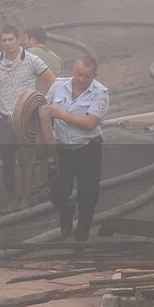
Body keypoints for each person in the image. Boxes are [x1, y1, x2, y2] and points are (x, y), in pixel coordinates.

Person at [0, 26, 55, 210]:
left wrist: (40, 103)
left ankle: (25, 200)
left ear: (19, 40)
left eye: (11, 39)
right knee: (7, 161)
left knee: (27, 158)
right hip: (4, 116)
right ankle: (12, 200)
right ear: (1, 42)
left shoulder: (31, 60)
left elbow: (52, 80)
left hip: (25, 117)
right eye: (4, 40)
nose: (8, 44)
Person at [47, 56, 109, 242]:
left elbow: (90, 123)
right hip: (62, 150)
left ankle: (82, 234)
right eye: (79, 74)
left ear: (94, 76)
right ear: (73, 70)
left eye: (86, 77)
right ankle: (66, 211)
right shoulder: (58, 86)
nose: (82, 80)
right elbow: (41, 107)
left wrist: (61, 115)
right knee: (57, 193)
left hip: (87, 150)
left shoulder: (100, 93)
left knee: (87, 195)